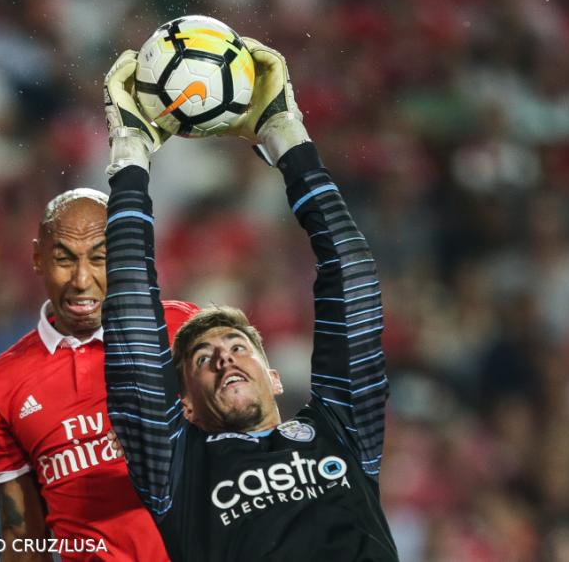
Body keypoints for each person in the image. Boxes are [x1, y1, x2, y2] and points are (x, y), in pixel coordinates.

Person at [101, 38, 397, 561]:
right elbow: (130, 329)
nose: (224, 356)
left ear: (275, 376)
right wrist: (130, 157)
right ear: (183, 404)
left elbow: (350, 277)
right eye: (202, 358)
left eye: (238, 346)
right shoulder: (175, 467)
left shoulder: (340, 430)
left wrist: (288, 137)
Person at [0, 188, 198, 561]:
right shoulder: (1, 383)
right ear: (37, 259)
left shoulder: (181, 328)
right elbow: (23, 537)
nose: (82, 280)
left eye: (100, 258)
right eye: (65, 260)